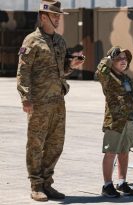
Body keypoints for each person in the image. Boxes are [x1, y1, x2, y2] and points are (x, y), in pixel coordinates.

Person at [16, 0, 84, 201]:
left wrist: (72, 65)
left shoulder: (60, 41)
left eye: (59, 16)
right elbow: (23, 71)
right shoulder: (32, 41)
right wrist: (25, 98)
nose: (58, 19)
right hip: (38, 102)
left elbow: (62, 71)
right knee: (36, 144)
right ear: (43, 16)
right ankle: (36, 185)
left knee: (55, 145)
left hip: (58, 102)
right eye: (55, 16)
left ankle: (47, 183)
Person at [96, 46, 133, 197]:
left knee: (124, 152)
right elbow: (99, 70)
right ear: (112, 61)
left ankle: (122, 182)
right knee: (111, 152)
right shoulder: (108, 77)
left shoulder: (126, 78)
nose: (123, 61)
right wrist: (109, 58)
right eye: (119, 58)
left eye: (125, 58)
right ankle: (107, 185)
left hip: (130, 120)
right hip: (115, 121)